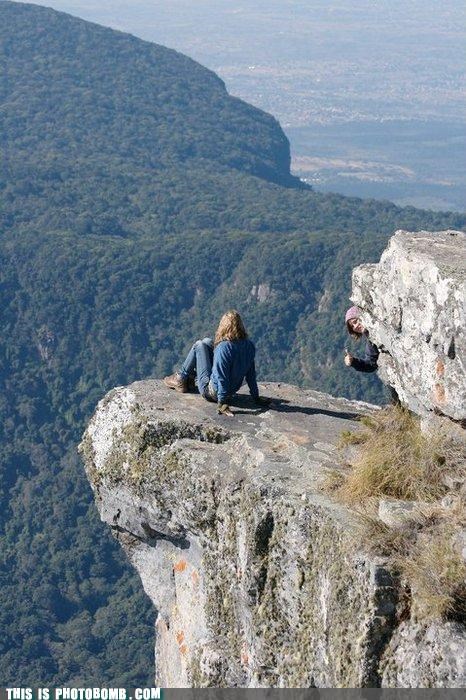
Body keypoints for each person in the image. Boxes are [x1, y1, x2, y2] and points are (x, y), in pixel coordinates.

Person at [163, 310, 268, 416]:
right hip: (231, 390)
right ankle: (188, 379)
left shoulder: (223, 348)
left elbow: (221, 377)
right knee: (207, 342)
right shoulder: (249, 346)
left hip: (211, 392)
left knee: (199, 345)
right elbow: (251, 375)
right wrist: (256, 397)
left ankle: (181, 378)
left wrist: (222, 402)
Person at [344, 306, 379, 373]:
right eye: (352, 326)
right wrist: (353, 362)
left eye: (355, 321)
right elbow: (370, 365)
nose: (355, 327)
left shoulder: (379, 323)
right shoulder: (371, 340)